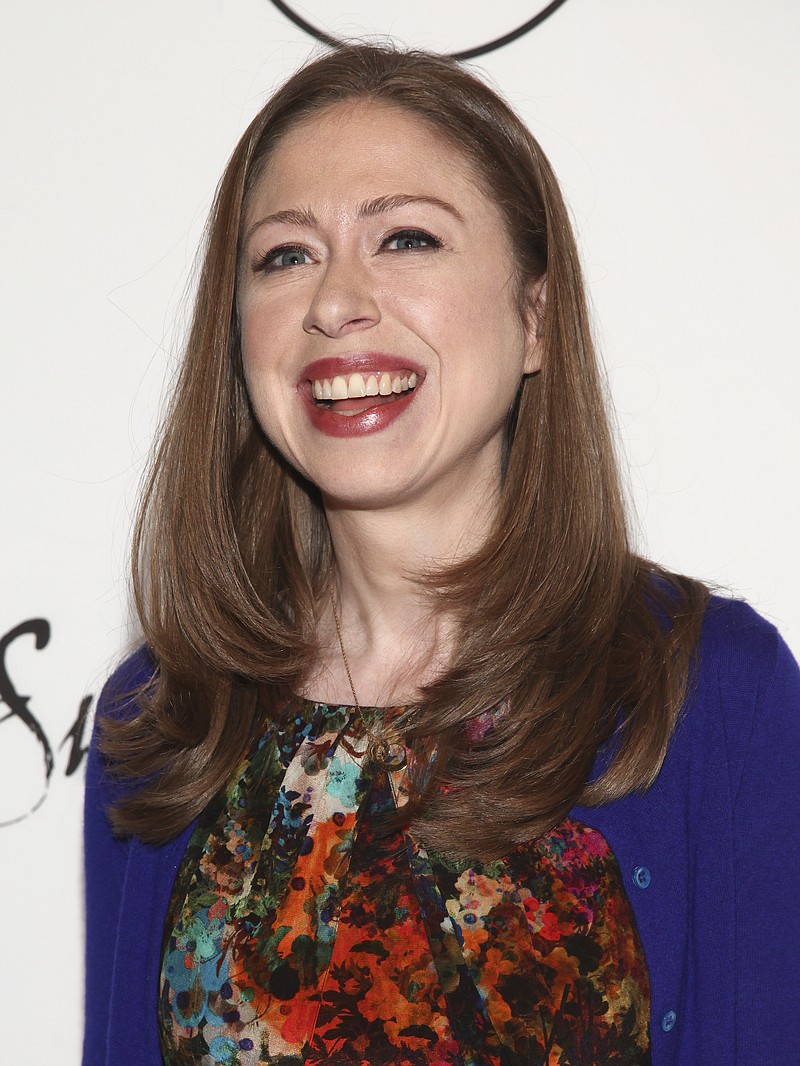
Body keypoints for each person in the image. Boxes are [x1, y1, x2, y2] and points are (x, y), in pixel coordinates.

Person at [83, 43, 800, 1066]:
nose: (336, 301)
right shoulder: (162, 720)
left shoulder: (712, 695)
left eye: (406, 238)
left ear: (534, 319)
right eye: (284, 255)